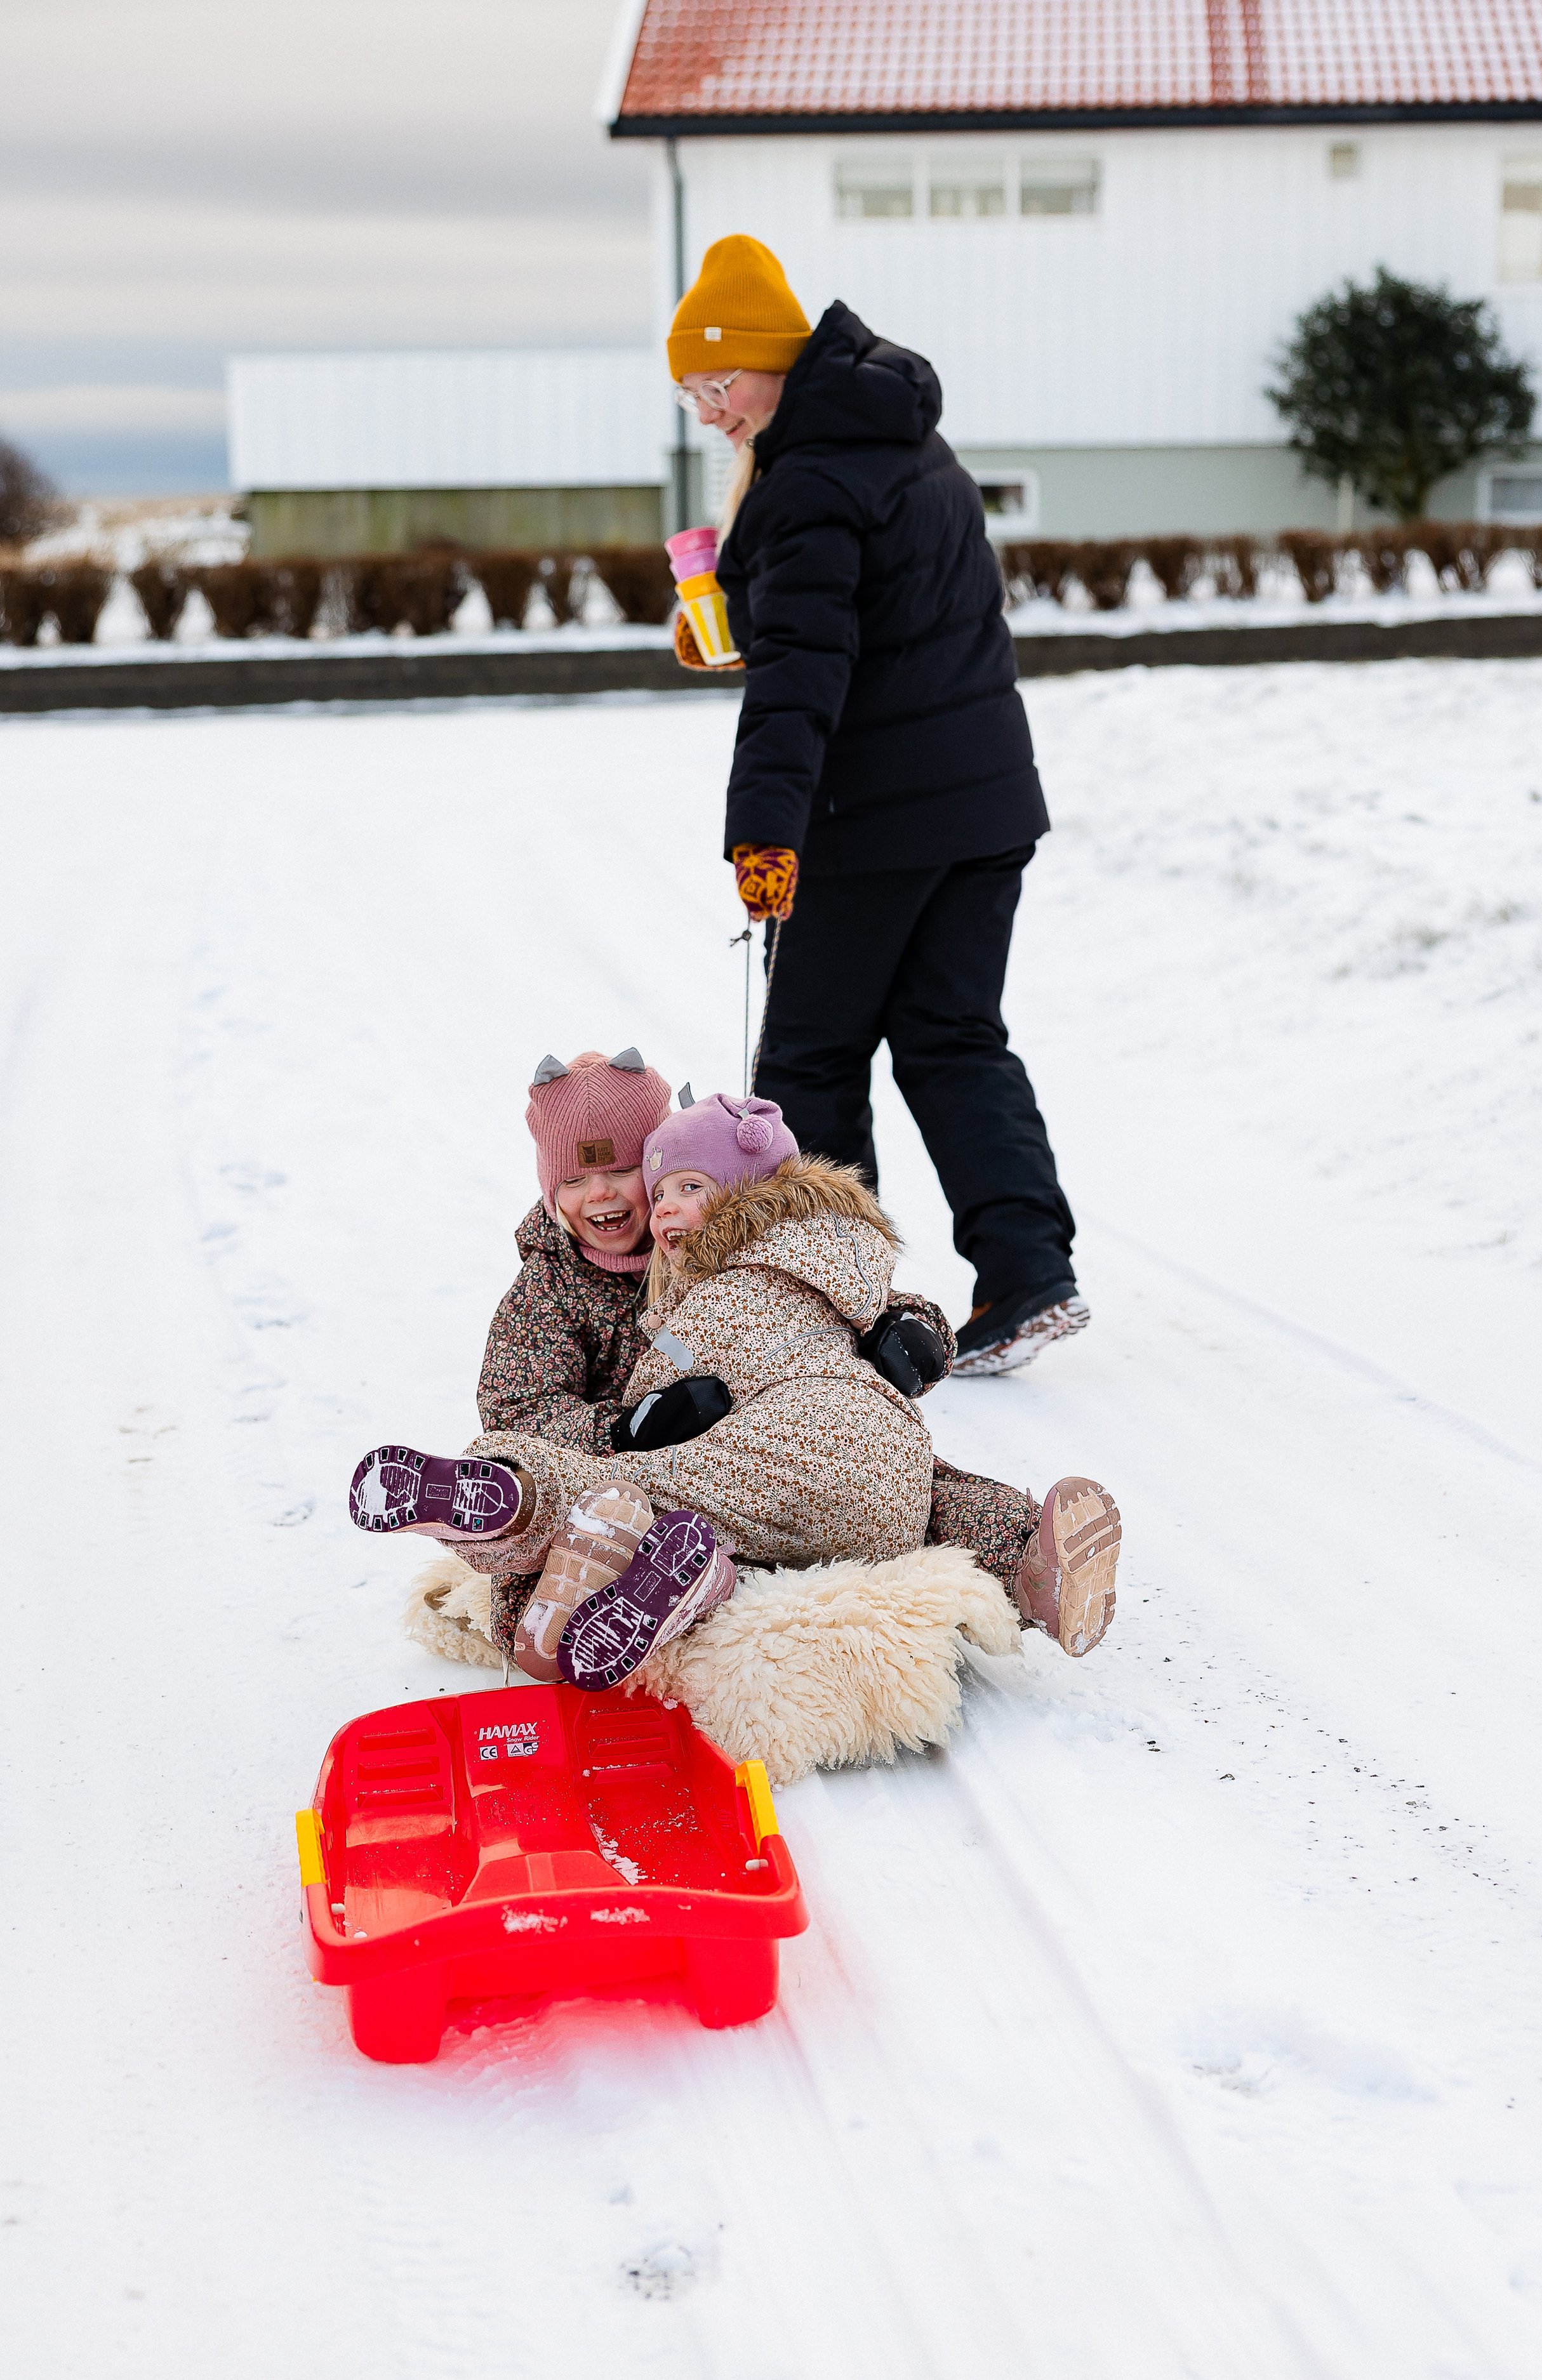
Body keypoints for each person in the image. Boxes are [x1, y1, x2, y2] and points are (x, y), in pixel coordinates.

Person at [669, 234, 1086, 1378]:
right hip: (984, 799)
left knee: (809, 1054)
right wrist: (742, 626)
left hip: (882, 812)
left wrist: (764, 828)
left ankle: (832, 1305)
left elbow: (808, 675)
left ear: (769, 362)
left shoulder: (807, 479)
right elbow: (869, 628)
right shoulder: (896, 436)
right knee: (955, 1037)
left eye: (719, 384)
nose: (711, 412)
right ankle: (1027, 1276)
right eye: (693, 395)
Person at [351, 1054, 1119, 1670]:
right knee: (575, 1520)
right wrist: (623, 1429)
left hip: (775, 1426)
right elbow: (520, 1407)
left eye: (620, 1173)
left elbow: (835, 1282)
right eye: (574, 1181)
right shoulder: (547, 1290)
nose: (603, 1198)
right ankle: (562, 1555)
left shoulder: (711, 1231)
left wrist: (909, 1330)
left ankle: (1033, 1566)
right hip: (642, 1467)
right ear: (550, 1191)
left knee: (924, 1487)